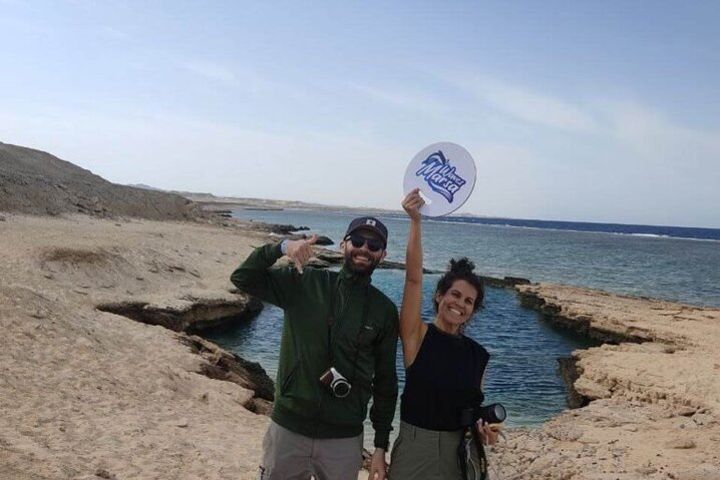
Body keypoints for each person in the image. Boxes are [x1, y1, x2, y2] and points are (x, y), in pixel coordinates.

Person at [230, 216, 399, 480]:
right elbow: (243, 277)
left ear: (383, 254)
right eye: (357, 240)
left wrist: (380, 446)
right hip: (288, 427)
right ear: (344, 244)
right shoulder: (303, 281)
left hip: (344, 438)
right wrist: (282, 247)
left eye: (374, 245)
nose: (365, 248)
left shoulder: (384, 310)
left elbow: (386, 382)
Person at [388, 189, 500, 480]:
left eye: (468, 301)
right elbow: (413, 280)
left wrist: (484, 429)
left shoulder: (479, 356)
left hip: (463, 453)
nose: (459, 304)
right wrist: (416, 222)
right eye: (455, 294)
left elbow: (472, 409)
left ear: (473, 311)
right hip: (417, 450)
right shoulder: (417, 335)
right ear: (439, 296)